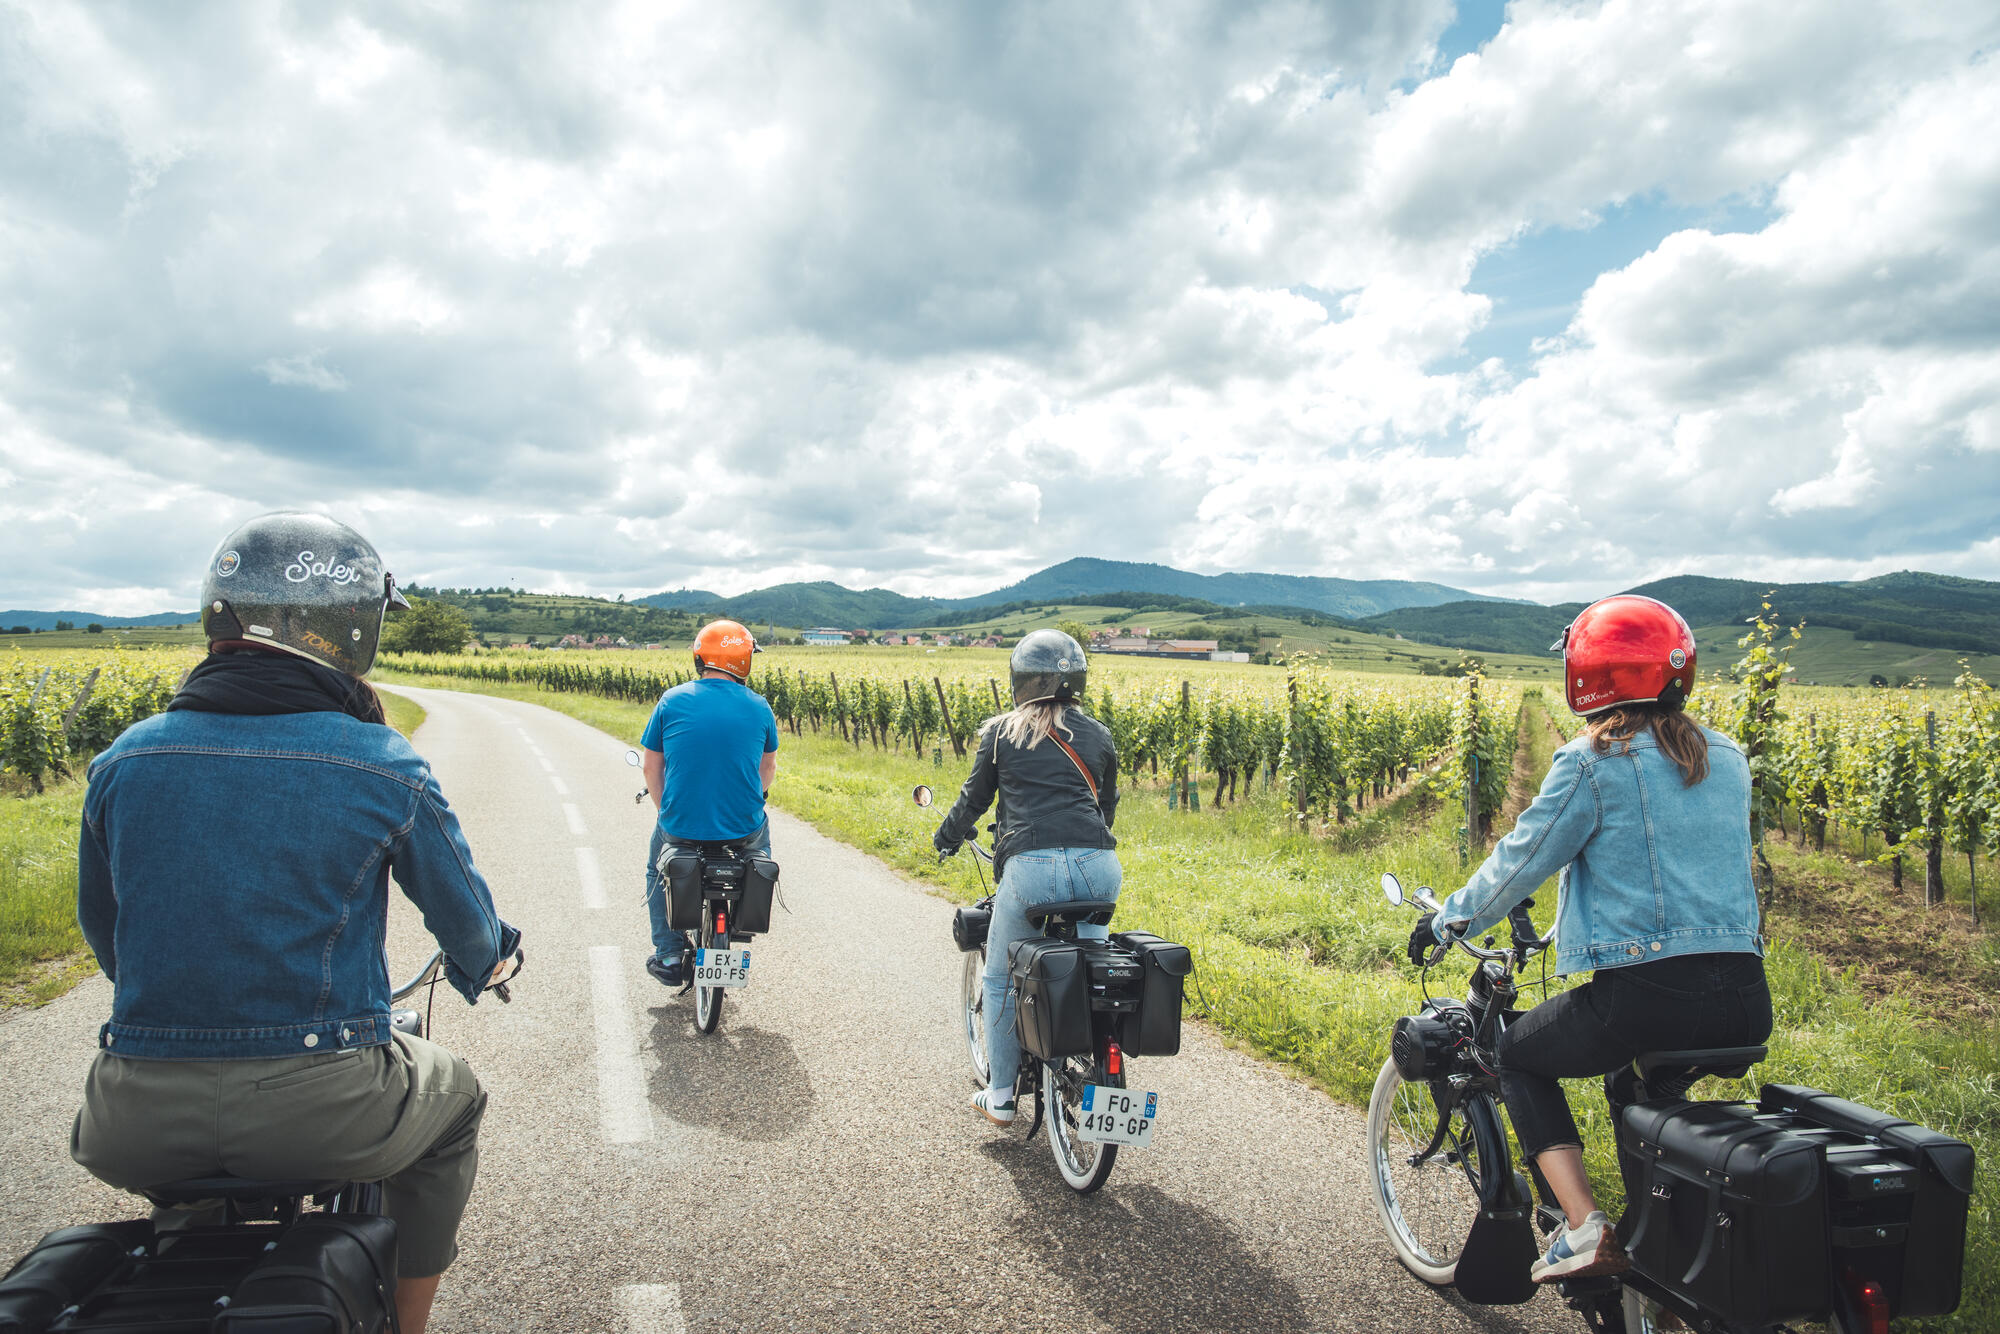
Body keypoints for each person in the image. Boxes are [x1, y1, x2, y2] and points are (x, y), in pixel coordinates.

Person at [71, 512, 521, 1334]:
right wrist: (488, 960)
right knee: (458, 1103)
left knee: (184, 1180)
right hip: (324, 1106)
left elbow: (108, 943)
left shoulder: (123, 759)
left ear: (220, 617)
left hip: (128, 1120)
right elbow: (469, 930)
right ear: (354, 631)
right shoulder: (382, 763)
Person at [1408, 594, 1771, 1284]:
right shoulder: (1727, 757)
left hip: (1649, 993)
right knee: (1635, 1091)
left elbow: (1521, 860)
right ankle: (1663, 1255)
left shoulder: (1592, 763)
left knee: (1517, 1056)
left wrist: (1448, 920)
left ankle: (1583, 1229)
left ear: (1587, 677)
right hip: (1746, 999)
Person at [933, 629, 1121, 1125]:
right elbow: (1106, 808)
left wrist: (948, 835)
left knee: (998, 977)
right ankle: (1099, 1059)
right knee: (1094, 970)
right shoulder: (1099, 734)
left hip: (1030, 871)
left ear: (1019, 679)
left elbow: (974, 800)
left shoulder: (1002, 733)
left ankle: (1000, 1095)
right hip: (1100, 867)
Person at [639, 618, 779, 987]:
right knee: (758, 851)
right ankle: (737, 927)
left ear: (702, 658)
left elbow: (652, 766)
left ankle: (669, 954)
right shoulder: (760, 706)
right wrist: (755, 800)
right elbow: (767, 767)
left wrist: (666, 811)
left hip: (680, 823)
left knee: (657, 869)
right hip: (743, 825)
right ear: (743, 660)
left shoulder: (672, 700)